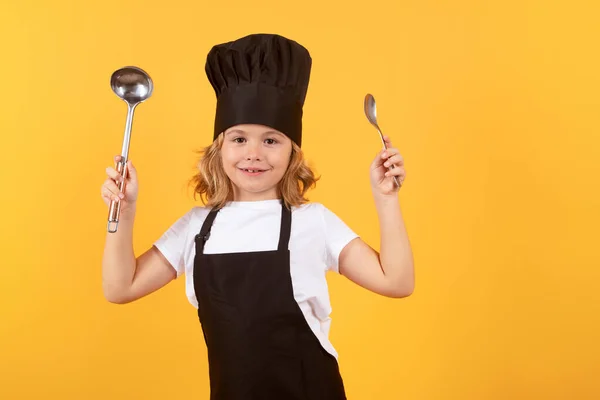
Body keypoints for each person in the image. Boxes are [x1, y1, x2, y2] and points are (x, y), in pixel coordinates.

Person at [101, 33, 414, 399]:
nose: (253, 153)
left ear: (292, 152)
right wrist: (124, 210)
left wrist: (386, 199)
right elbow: (119, 287)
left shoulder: (313, 221)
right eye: (238, 139)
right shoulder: (197, 227)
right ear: (219, 148)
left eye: (270, 140)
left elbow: (397, 282)